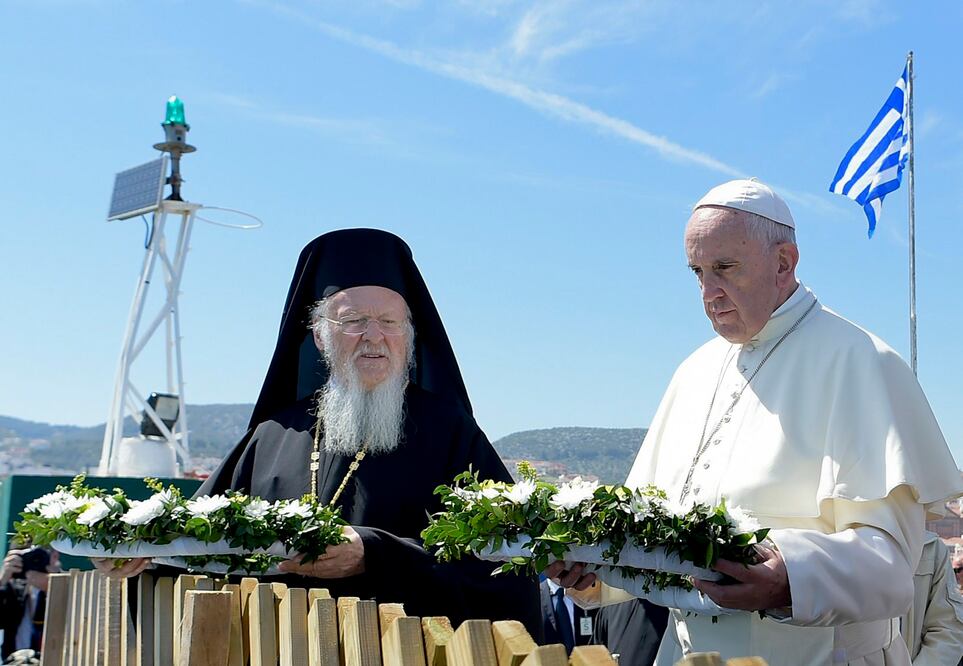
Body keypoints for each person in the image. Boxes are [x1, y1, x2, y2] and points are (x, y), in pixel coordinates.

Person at [552, 179, 963, 665]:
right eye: (698, 272)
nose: (709, 292)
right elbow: (659, 544)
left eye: (725, 268)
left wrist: (790, 576)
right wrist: (599, 573)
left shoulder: (863, 361)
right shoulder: (693, 371)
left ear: (784, 262)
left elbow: (892, 568)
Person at [97, 228, 541, 634]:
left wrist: (375, 554)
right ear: (319, 335)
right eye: (352, 322)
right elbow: (199, 548)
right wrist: (142, 555)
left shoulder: (451, 432)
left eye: (389, 323)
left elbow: (503, 571)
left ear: (409, 336)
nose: (373, 336)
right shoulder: (272, 434)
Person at [901, 532, 963, 664]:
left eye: (958, 570)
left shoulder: (932, 548)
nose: (956, 574)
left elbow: (948, 629)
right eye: (955, 570)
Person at [0, 547, 54, 660]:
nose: (34, 560)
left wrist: (53, 587)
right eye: (27, 556)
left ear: (55, 555)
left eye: (39, 555)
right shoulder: (12, 588)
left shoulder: (69, 583)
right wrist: (2, 580)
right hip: (15, 661)